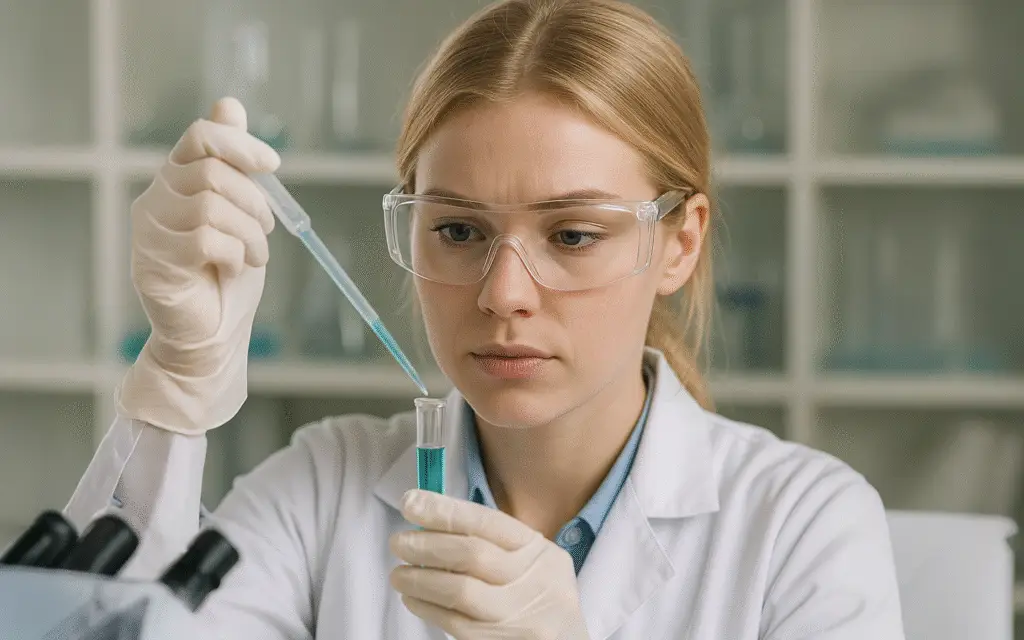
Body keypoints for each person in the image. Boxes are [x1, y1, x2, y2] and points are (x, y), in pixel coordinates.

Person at [65, 0, 906, 638]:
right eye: (459, 231)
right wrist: (176, 381)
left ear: (679, 244)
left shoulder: (802, 524)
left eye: (573, 234)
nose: (504, 293)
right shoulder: (322, 491)